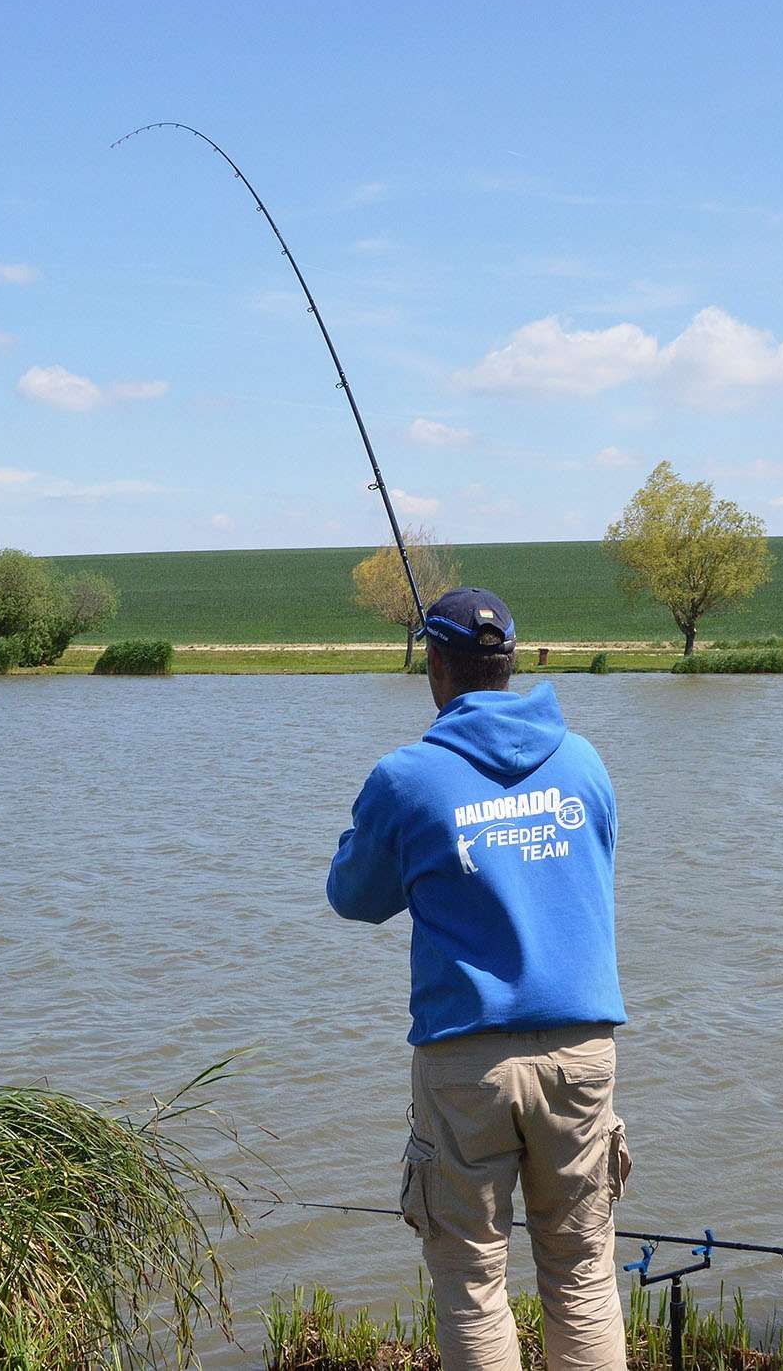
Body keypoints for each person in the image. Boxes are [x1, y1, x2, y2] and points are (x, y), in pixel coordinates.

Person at [327, 587, 631, 1371]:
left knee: (470, 1277)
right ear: (514, 660)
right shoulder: (585, 759)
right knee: (584, 1268)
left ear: (433, 662)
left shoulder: (407, 778)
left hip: (468, 1064)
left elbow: (352, 897)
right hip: (582, 1054)